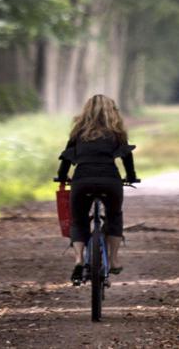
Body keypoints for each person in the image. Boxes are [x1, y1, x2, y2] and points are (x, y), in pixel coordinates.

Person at [55, 93, 140, 284]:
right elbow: (127, 157)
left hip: (82, 179)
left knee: (78, 219)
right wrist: (132, 177)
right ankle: (113, 260)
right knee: (114, 216)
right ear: (112, 111)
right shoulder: (117, 131)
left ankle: (78, 260)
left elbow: (67, 157)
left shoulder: (78, 131)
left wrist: (61, 177)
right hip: (110, 180)